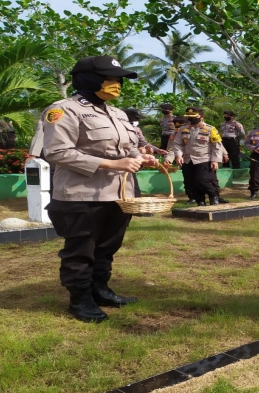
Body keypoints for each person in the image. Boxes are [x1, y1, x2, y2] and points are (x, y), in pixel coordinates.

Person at [42, 55, 159, 323]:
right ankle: (80, 299)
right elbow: (57, 152)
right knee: (81, 249)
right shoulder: (63, 110)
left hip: (118, 194)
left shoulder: (117, 113)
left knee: (107, 247)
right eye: (110, 78)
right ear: (88, 79)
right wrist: (112, 163)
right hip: (80, 195)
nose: (116, 83)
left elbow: (127, 147)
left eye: (118, 79)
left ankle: (100, 290)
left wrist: (141, 156)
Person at [163, 107, 224, 206]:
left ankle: (213, 195)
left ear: (202, 117)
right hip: (187, 159)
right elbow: (177, 144)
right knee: (192, 182)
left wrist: (215, 160)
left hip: (204, 158)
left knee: (202, 180)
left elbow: (217, 146)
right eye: (189, 117)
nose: (191, 119)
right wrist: (178, 156)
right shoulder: (183, 129)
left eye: (194, 117)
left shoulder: (210, 129)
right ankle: (200, 201)